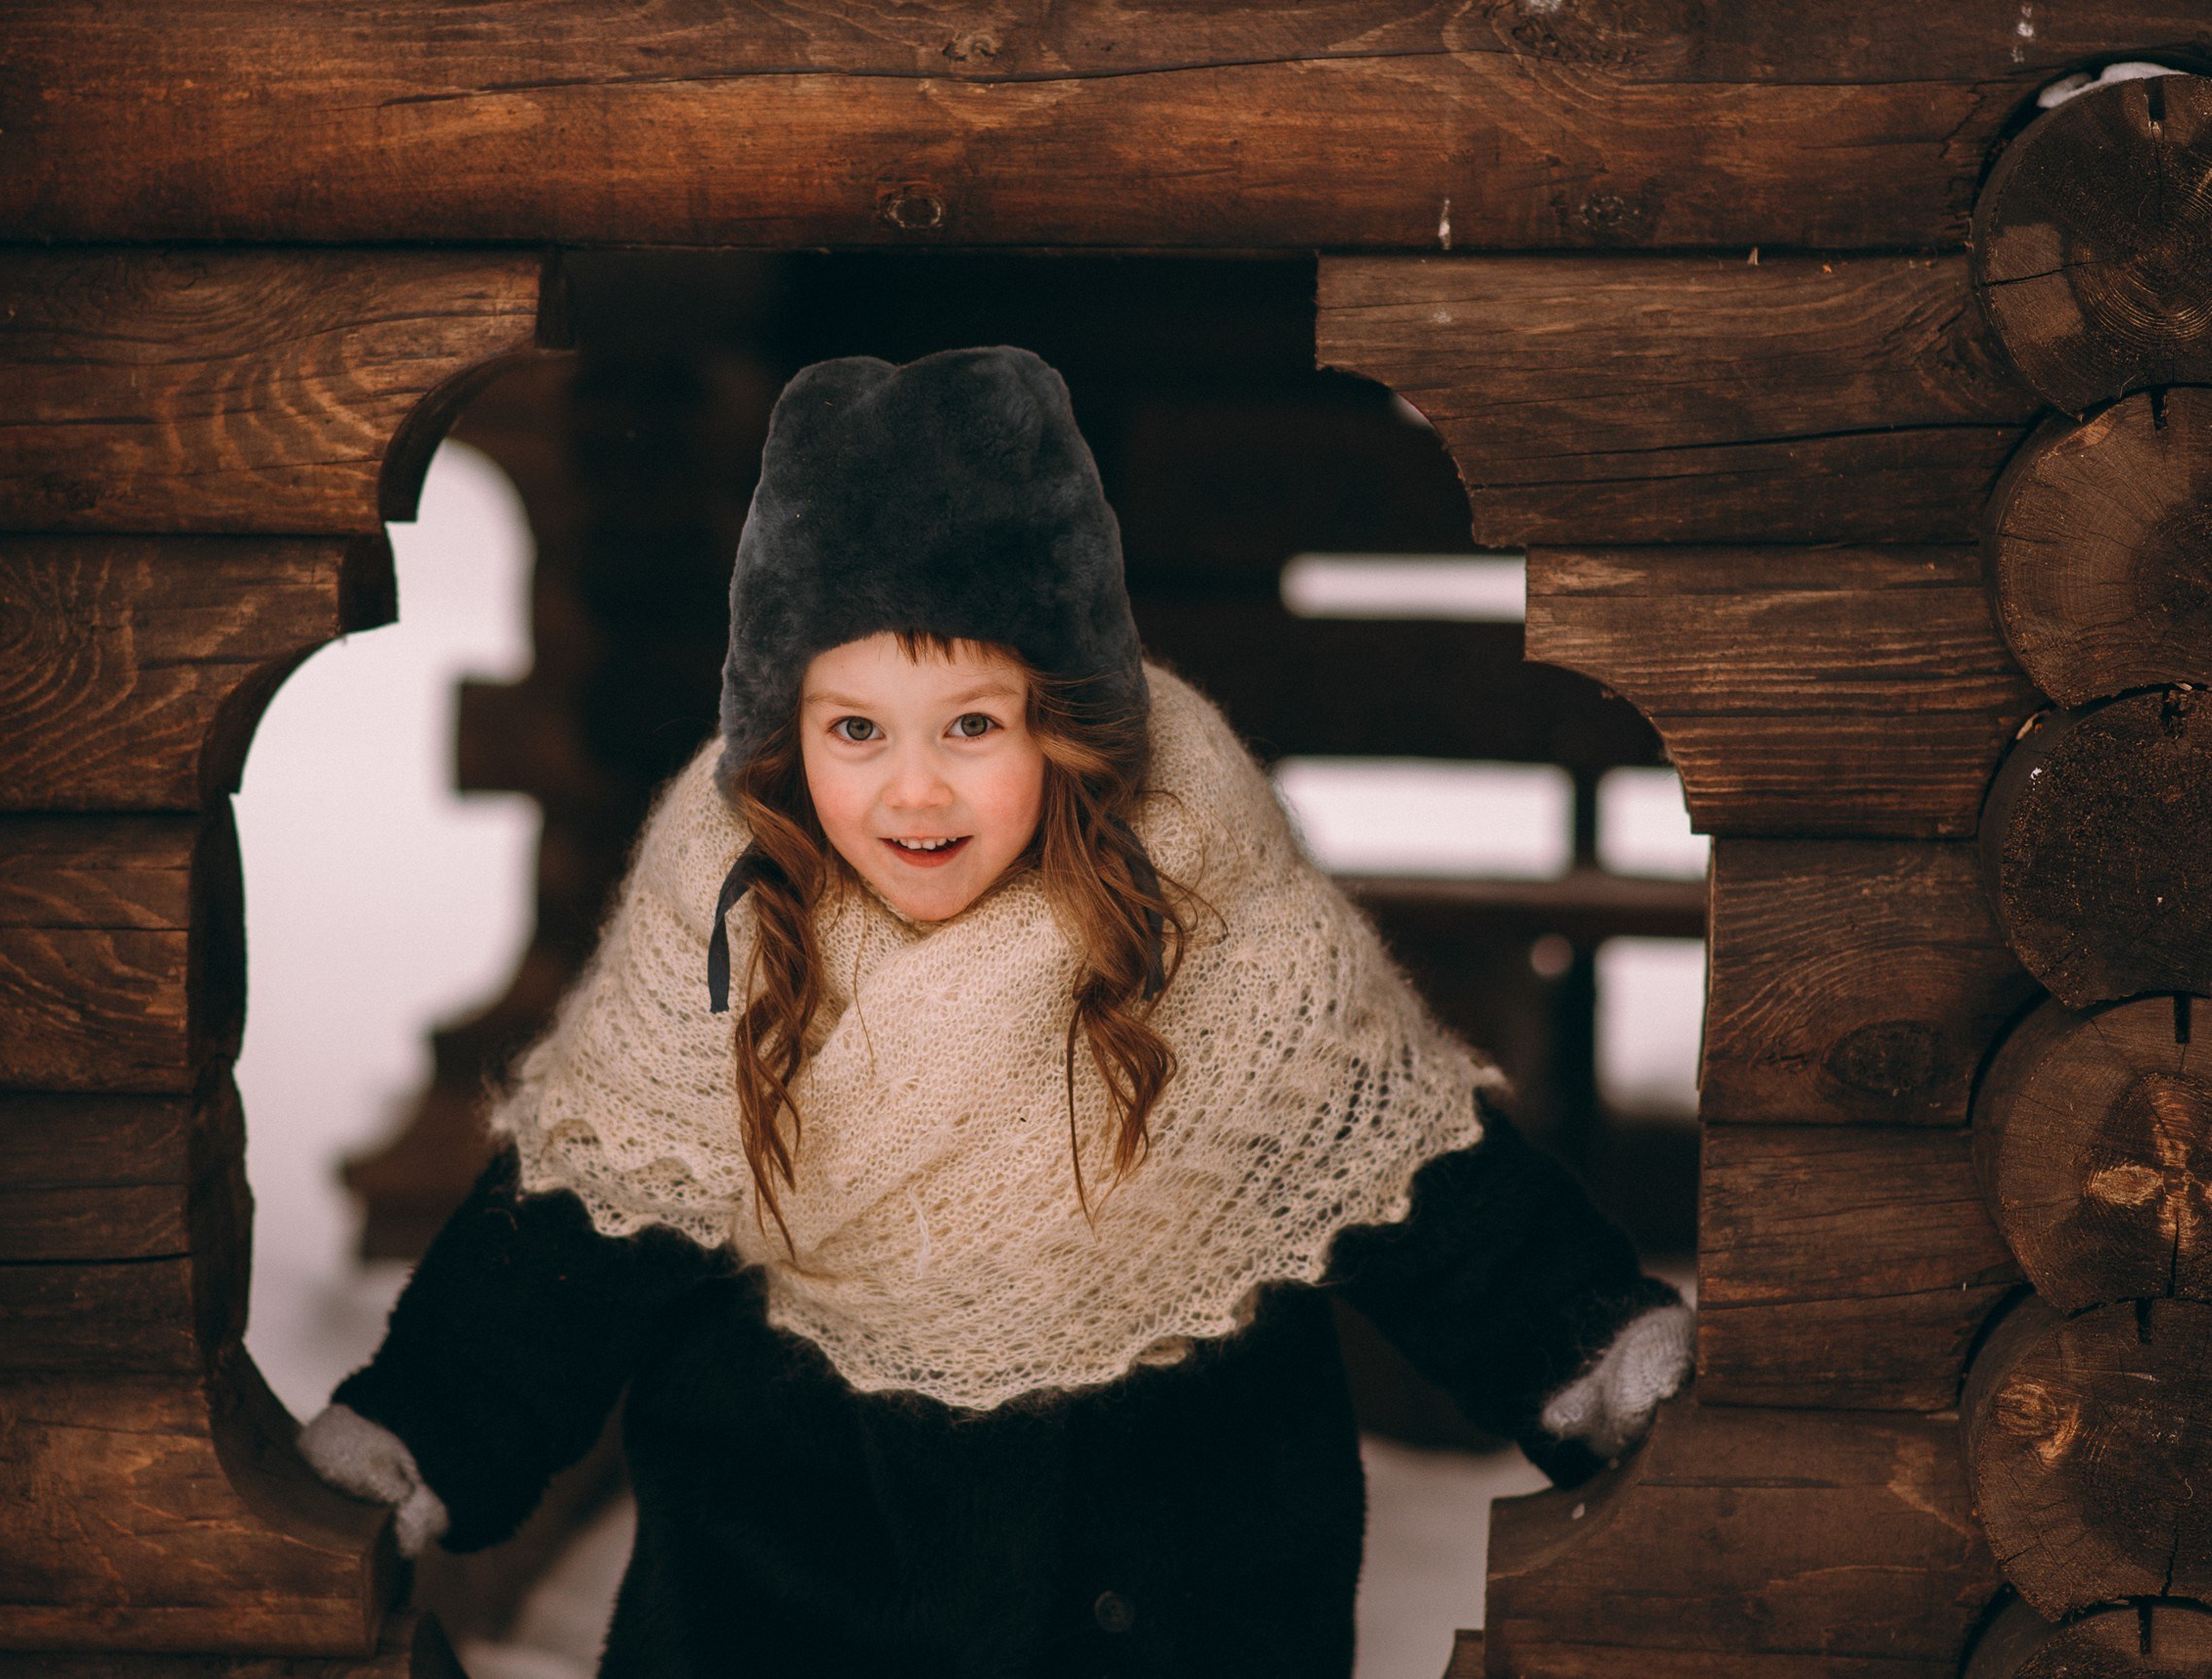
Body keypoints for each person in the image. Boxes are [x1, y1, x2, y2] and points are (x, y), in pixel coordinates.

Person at [300, 346, 1691, 1678]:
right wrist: (424, 1429)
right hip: (798, 1587)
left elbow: (1412, 1178)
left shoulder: (1205, 913)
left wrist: (1580, 1341)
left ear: (1067, 721)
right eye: (855, 731)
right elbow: (568, 1234)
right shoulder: (723, 927)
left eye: (971, 725)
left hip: (1153, 1587)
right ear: (783, 736)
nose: (913, 792)